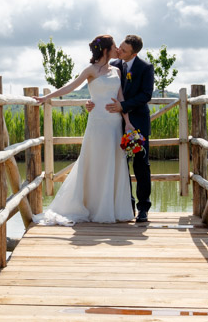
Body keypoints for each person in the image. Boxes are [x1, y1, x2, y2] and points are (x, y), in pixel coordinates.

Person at [33, 35, 135, 225]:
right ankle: (91, 206)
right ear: (106, 49)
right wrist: (47, 97)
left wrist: (127, 122)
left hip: (114, 123)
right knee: (94, 161)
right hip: (97, 123)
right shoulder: (90, 70)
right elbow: (70, 87)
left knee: (114, 161)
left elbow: (120, 99)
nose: (116, 49)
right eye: (114, 46)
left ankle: (111, 209)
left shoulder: (117, 71)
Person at [87, 35, 155, 222]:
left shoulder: (145, 68)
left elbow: (146, 95)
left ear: (134, 53)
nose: (119, 51)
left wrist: (123, 107)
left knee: (141, 164)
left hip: (138, 123)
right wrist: (92, 101)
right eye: (120, 48)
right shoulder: (114, 65)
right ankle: (126, 206)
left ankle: (143, 208)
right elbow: (101, 87)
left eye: (124, 50)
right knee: (120, 165)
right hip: (115, 123)